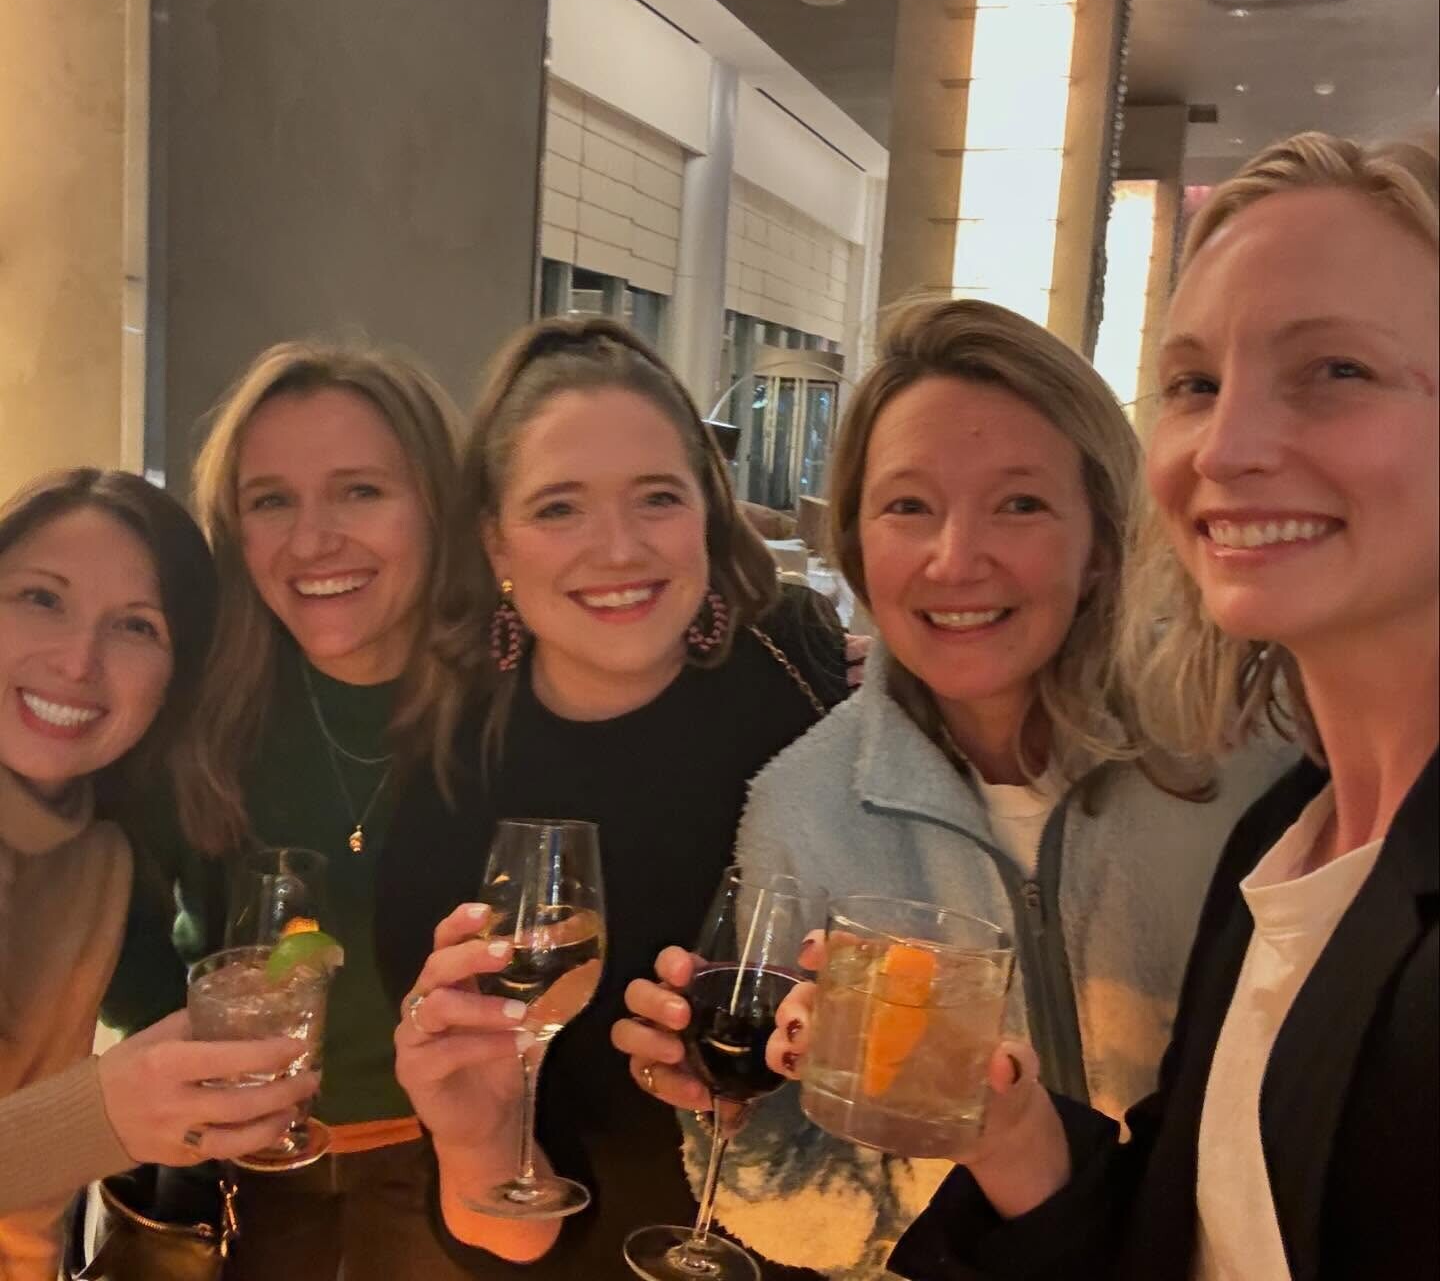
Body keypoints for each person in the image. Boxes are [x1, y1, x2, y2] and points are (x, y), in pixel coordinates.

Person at [614, 297, 1294, 1279]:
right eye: (908, 506)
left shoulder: (1244, 760)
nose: (955, 558)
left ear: (1102, 542)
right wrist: (741, 1109)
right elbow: (784, 1208)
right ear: (856, 544)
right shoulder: (808, 805)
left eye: (1019, 504)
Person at [863, 131, 1437, 1281]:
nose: (1226, 447)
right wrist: (1012, 1135)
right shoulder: (1283, 842)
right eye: (1195, 385)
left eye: (1335, 370)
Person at [373, 316, 849, 1276]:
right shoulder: (446, 787)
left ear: (708, 513)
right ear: (495, 542)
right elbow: (507, 1238)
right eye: (559, 508)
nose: (620, 549)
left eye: (657, 498)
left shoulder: (802, 681)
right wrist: (480, 1139)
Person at [102, 343, 476, 1281]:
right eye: (271, 501)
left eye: (360, 492)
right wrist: (191, 1050)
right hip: (244, 1166)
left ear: (438, 506)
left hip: (451, 1163)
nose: (312, 542)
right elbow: (116, 920)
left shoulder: (511, 707)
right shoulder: (197, 708)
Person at [0, 468, 318, 1280]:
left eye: (135, 627)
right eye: (41, 598)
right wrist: (99, 1116)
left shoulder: (97, 861)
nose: (78, 661)